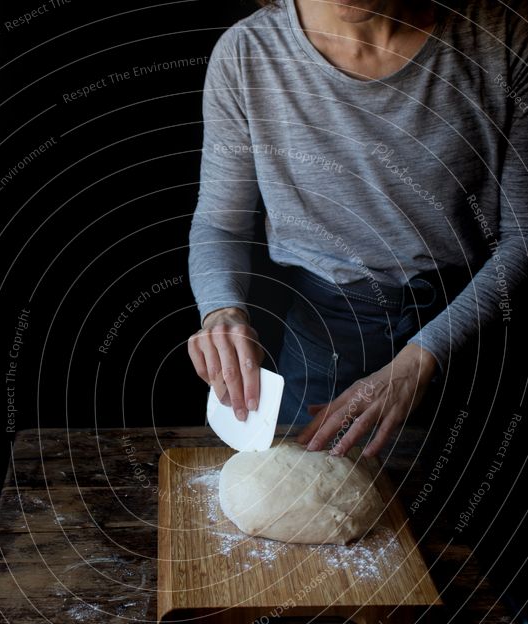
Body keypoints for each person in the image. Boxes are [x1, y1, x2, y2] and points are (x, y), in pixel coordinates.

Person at [187, 0, 528, 456]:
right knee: (300, 509)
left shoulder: (503, 39)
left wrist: (426, 354)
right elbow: (219, 225)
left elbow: (522, 237)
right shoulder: (248, 53)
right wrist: (221, 310)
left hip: (475, 326)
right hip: (326, 335)